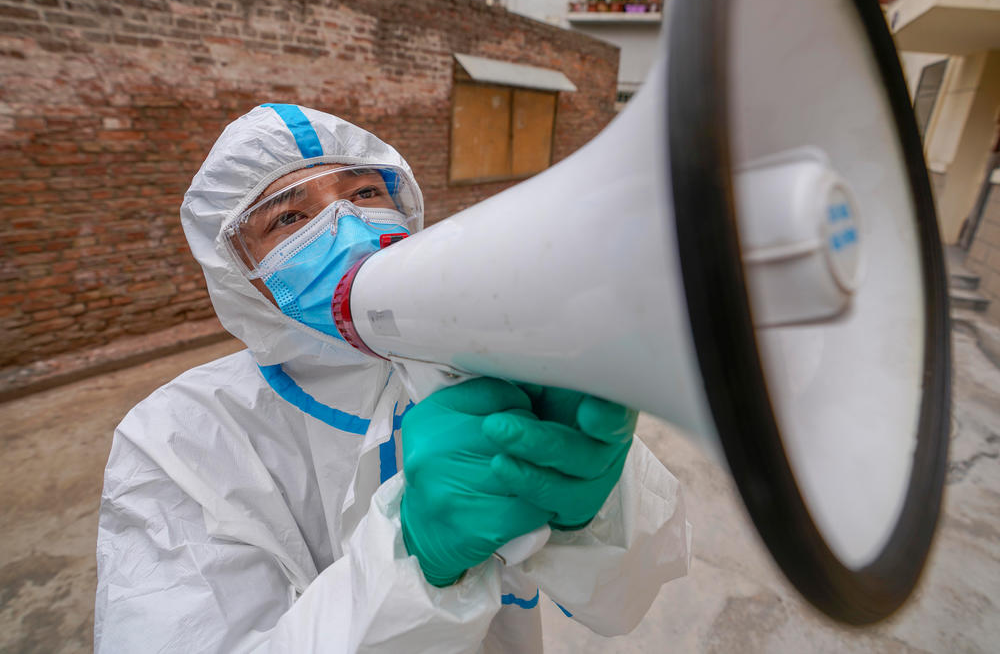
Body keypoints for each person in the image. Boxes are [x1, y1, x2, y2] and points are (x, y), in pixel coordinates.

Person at [94, 103, 692, 652]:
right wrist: (414, 561)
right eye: (290, 217)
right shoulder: (178, 439)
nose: (346, 224)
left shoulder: (486, 359)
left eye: (364, 191)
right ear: (239, 275)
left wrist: (599, 509)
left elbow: (632, 593)